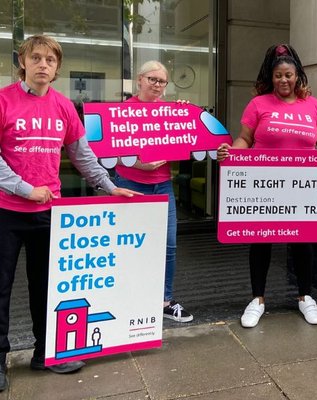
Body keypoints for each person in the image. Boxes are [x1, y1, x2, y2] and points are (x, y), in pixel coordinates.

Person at [0, 34, 139, 391]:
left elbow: (82, 155)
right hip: (7, 212)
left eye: (50, 59)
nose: (43, 64)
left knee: (47, 288)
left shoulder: (63, 106)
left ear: (57, 66)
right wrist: (24, 188)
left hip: (51, 214)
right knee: (0, 288)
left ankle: (46, 353)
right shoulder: (3, 101)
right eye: (36, 58)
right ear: (23, 62)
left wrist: (109, 186)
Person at [217, 44, 317, 328]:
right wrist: (231, 152)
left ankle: (305, 297)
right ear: (272, 77)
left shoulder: (313, 105)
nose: (284, 80)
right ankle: (257, 299)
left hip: (303, 188)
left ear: (298, 76)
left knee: (303, 241)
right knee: (261, 241)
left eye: (289, 75)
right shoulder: (258, 104)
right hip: (263, 187)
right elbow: (245, 139)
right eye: (279, 75)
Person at [114, 61, 193, 324]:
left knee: (168, 246)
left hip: (162, 185)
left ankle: (165, 301)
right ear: (139, 80)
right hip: (130, 184)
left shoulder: (172, 111)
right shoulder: (124, 110)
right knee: (130, 245)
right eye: (152, 79)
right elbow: (112, 153)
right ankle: (130, 299)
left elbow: (188, 139)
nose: (157, 85)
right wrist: (138, 163)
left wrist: (186, 114)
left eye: (162, 81)